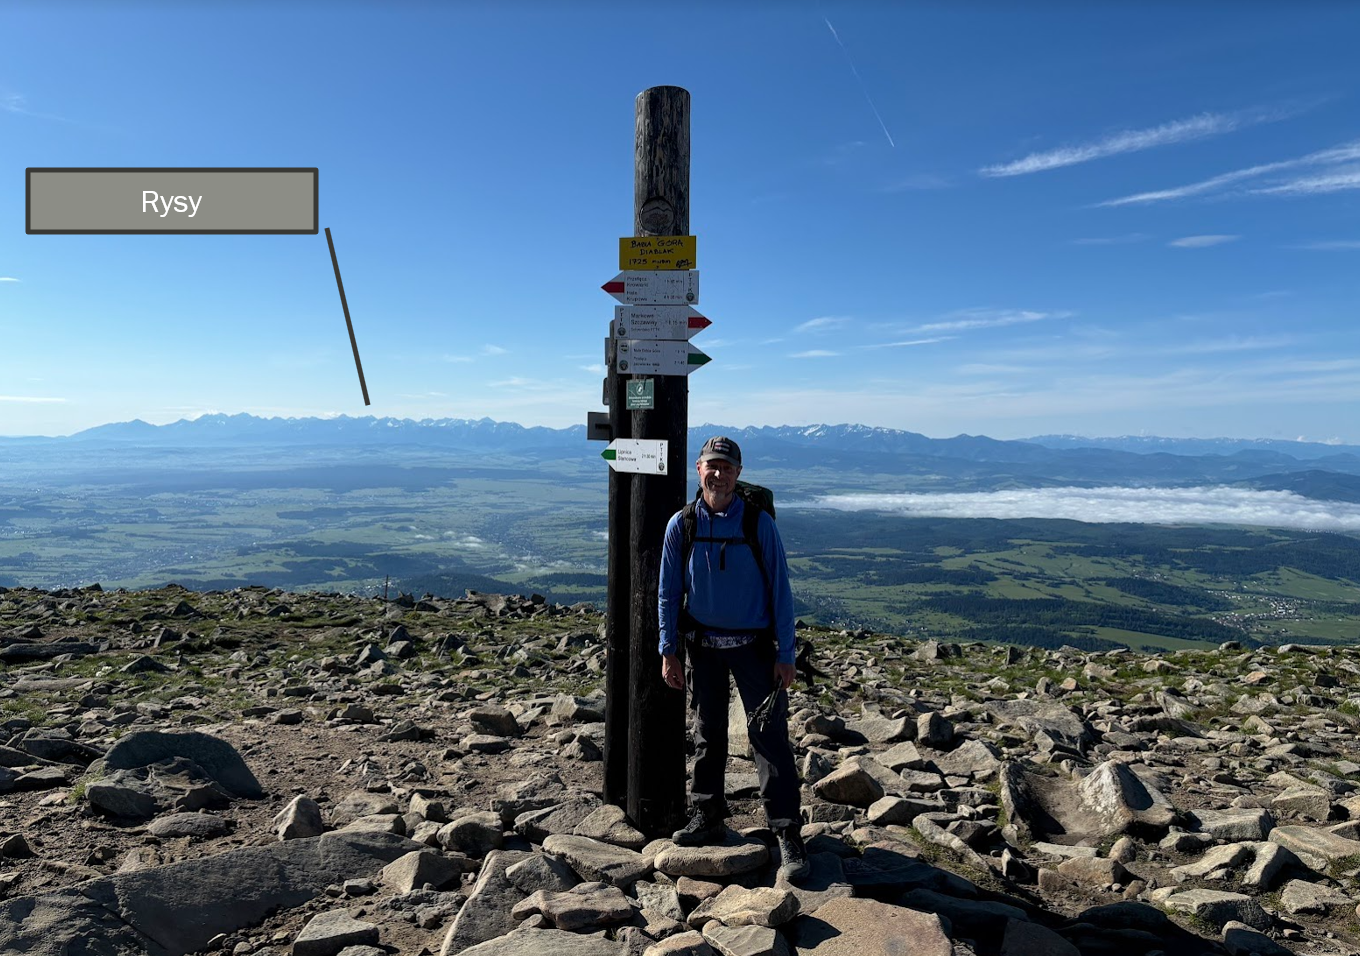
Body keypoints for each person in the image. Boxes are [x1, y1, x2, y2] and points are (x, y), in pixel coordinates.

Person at [657, 435, 808, 883]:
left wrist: (786, 652)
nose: (719, 474)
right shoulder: (681, 525)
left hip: (756, 648)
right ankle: (708, 816)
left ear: (738, 474)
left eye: (727, 467)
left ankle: (786, 833)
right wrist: (668, 649)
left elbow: (781, 590)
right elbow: (667, 592)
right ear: (698, 471)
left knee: (769, 738)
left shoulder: (758, 524)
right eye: (712, 466)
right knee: (708, 734)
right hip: (702, 646)